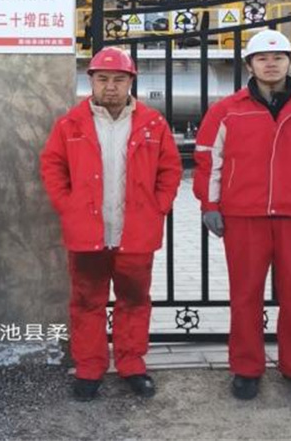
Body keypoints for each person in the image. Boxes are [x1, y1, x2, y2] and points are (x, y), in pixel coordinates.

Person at [193, 29, 291, 404]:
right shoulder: (227, 110)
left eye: (278, 57)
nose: (271, 64)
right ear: (250, 65)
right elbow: (208, 159)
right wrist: (210, 205)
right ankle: (246, 369)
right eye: (262, 58)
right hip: (245, 215)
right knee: (245, 295)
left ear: (290, 62)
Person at [40, 47, 182, 401]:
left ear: (131, 81)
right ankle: (89, 367)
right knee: (87, 300)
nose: (111, 86)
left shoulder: (153, 123)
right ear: (90, 81)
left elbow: (170, 169)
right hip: (88, 232)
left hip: (136, 231)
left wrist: (158, 207)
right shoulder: (70, 124)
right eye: (102, 79)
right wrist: (68, 205)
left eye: (119, 79)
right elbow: (52, 166)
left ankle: (132, 364)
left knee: (134, 299)